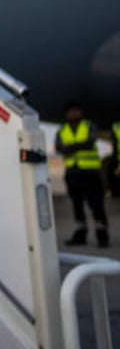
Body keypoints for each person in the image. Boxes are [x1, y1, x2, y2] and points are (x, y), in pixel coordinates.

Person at [55, 102, 109, 247]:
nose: (73, 114)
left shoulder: (89, 126)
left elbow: (90, 143)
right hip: (72, 173)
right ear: (67, 114)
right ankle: (80, 235)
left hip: (90, 173)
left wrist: (71, 147)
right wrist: (75, 146)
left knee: (96, 205)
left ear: (80, 112)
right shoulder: (62, 130)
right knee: (77, 206)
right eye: (71, 112)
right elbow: (59, 147)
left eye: (76, 111)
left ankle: (102, 236)